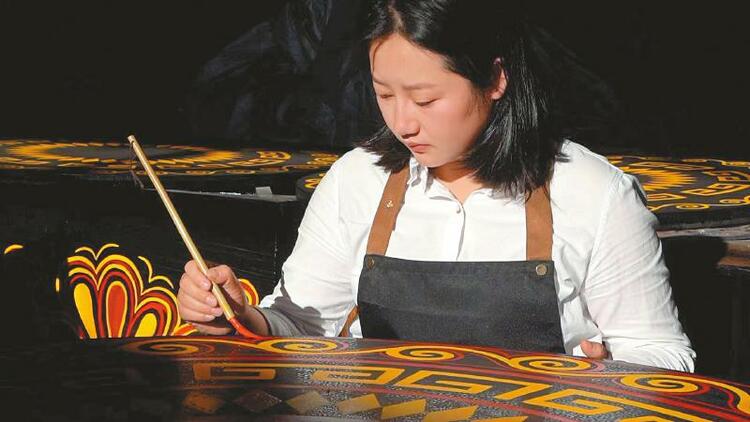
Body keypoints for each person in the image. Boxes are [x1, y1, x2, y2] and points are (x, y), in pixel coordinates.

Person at [177, 0, 695, 372]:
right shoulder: (358, 180)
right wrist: (237, 317)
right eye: (384, 95)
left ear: (495, 79)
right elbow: (302, 328)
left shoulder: (592, 191)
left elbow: (666, 354)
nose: (403, 123)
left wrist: (611, 373)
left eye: (425, 100)